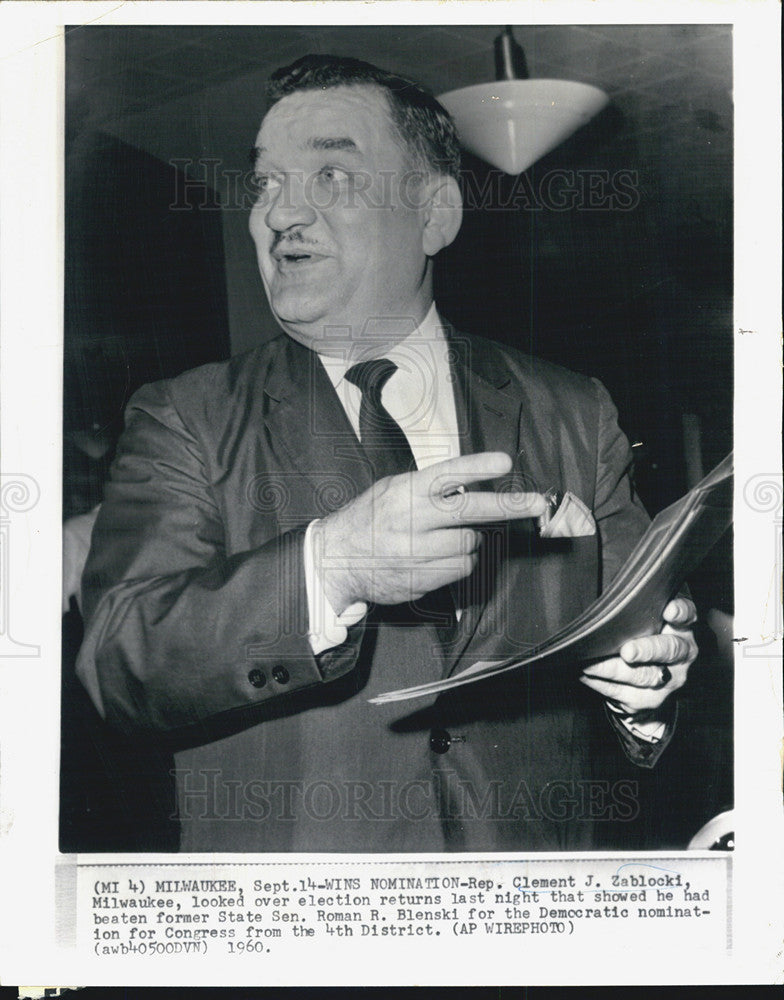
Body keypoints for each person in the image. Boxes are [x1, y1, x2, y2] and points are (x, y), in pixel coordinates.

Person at [75, 55, 698, 853]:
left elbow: (638, 628)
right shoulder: (184, 416)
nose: (280, 216)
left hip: (529, 924)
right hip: (302, 936)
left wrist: (646, 686)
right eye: (266, 184)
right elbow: (119, 663)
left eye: (332, 174)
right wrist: (330, 566)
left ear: (434, 214)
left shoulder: (574, 408)